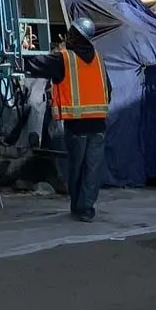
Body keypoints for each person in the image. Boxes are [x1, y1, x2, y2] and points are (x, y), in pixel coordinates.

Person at [25, 14, 111, 221]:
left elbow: (35, 64)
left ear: (74, 35)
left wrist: (14, 56)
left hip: (76, 127)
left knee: (77, 168)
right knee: (92, 170)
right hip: (98, 125)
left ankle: (78, 207)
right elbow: (109, 89)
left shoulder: (64, 58)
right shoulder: (99, 58)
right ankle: (87, 209)